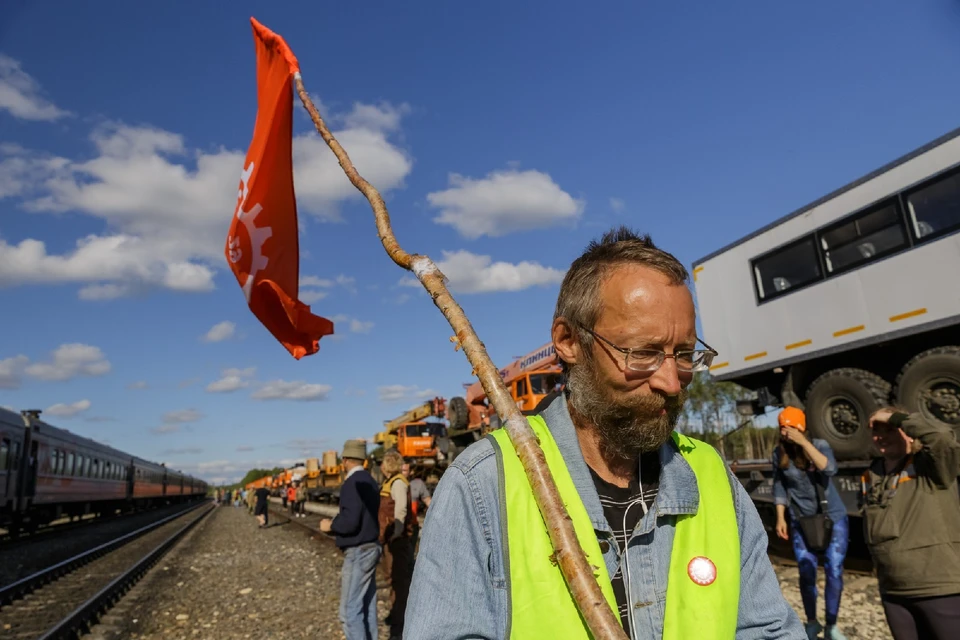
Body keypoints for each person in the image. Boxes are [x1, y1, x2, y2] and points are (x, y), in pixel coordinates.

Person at [405, 227, 804, 639]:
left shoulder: (710, 476)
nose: (672, 381)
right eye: (643, 353)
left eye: (684, 355)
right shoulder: (484, 484)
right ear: (568, 341)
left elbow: (769, 630)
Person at [861, 407, 960, 640]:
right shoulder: (873, 476)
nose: (881, 436)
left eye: (889, 429)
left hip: (939, 588)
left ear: (907, 431)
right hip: (894, 591)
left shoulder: (931, 467)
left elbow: (942, 437)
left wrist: (898, 418)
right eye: (876, 431)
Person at [772, 407, 850, 640]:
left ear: (801, 427)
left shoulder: (819, 445)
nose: (786, 433)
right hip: (801, 520)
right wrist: (780, 517)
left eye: (791, 427)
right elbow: (779, 486)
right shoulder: (779, 453)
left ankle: (832, 625)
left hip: (832, 517)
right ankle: (812, 622)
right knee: (806, 571)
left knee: (834, 569)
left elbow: (830, 468)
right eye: (783, 428)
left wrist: (803, 443)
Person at [319, 440, 381, 640]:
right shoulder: (371, 482)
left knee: (349, 611)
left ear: (344, 460)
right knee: (367, 607)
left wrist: (331, 525)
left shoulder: (351, 484)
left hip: (358, 551)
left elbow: (350, 521)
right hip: (372, 547)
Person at [379, 450, 416, 640]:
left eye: (383, 463)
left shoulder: (398, 483)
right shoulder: (392, 481)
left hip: (397, 541)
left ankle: (401, 623)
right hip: (392, 539)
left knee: (399, 580)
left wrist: (396, 533)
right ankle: (397, 617)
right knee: (393, 578)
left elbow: (400, 511)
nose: (381, 467)